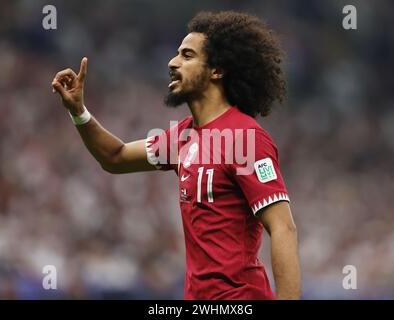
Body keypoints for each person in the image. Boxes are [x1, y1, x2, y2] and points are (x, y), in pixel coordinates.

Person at [51, 11, 301, 300]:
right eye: (176, 54)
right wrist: (78, 112)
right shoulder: (183, 136)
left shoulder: (246, 138)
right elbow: (115, 157)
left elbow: (283, 227)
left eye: (187, 55)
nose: (172, 62)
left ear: (216, 70)